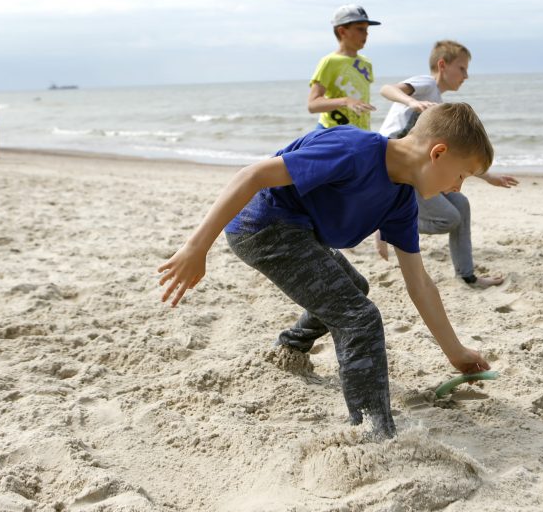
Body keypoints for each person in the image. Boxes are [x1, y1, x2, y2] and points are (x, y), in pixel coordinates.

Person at [158, 103, 493, 438]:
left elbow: (419, 283)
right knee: (360, 317)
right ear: (438, 153)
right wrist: (196, 247)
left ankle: (290, 348)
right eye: (462, 175)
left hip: (301, 231)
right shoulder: (354, 151)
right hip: (261, 226)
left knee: (354, 289)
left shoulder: (402, 201)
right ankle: (374, 431)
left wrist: (456, 352)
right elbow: (252, 175)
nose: (457, 188)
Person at [376, 40, 519, 288]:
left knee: (461, 205)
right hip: (399, 167)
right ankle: (385, 222)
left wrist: (487, 176)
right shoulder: (427, 84)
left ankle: (466, 275)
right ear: (442, 65)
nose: (466, 76)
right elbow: (387, 89)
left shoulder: (439, 102)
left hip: (420, 166)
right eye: (462, 68)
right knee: (449, 218)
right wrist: (411, 102)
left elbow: (455, 157)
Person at [306, 4, 380, 131]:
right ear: (342, 31)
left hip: (359, 133)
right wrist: (346, 101)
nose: (366, 34)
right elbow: (313, 105)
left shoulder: (366, 63)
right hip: (331, 132)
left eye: (367, 29)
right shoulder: (329, 61)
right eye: (360, 29)